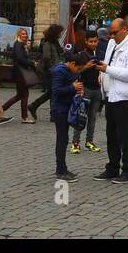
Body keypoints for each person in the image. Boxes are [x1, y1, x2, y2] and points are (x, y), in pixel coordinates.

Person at [95, 16, 128, 184]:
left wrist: (107, 69)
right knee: (111, 135)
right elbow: (108, 63)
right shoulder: (112, 45)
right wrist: (101, 73)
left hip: (125, 97)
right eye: (110, 33)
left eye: (115, 32)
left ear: (125, 30)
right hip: (111, 96)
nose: (112, 36)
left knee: (124, 136)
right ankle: (112, 167)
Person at [51, 51, 90, 182]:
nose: (78, 71)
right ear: (72, 63)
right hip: (59, 109)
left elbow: (75, 85)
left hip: (68, 107)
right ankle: (60, 170)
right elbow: (56, 91)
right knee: (62, 139)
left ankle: (63, 168)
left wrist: (79, 89)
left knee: (64, 138)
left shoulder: (74, 71)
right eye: (78, 68)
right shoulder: (60, 71)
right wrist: (72, 87)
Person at [72, 32, 104, 153]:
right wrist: (86, 66)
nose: (93, 44)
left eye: (95, 41)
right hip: (86, 89)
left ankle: (89, 141)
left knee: (92, 118)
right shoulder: (81, 55)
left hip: (96, 89)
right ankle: (75, 143)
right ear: (86, 41)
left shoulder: (98, 54)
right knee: (81, 117)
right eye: (91, 41)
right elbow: (75, 71)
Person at [26, 24, 64, 121]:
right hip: (50, 71)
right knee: (53, 92)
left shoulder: (54, 43)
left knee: (52, 92)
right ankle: (49, 113)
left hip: (54, 70)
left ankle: (35, 106)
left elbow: (60, 52)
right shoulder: (47, 43)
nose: (61, 34)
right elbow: (47, 57)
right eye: (59, 32)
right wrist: (53, 69)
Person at [2, 27, 38, 123]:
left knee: (20, 95)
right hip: (20, 73)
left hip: (20, 73)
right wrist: (31, 63)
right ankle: (24, 117)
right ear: (18, 35)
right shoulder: (18, 45)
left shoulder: (21, 45)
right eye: (23, 34)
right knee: (24, 95)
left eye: (25, 34)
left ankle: (1, 109)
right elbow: (20, 58)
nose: (25, 35)